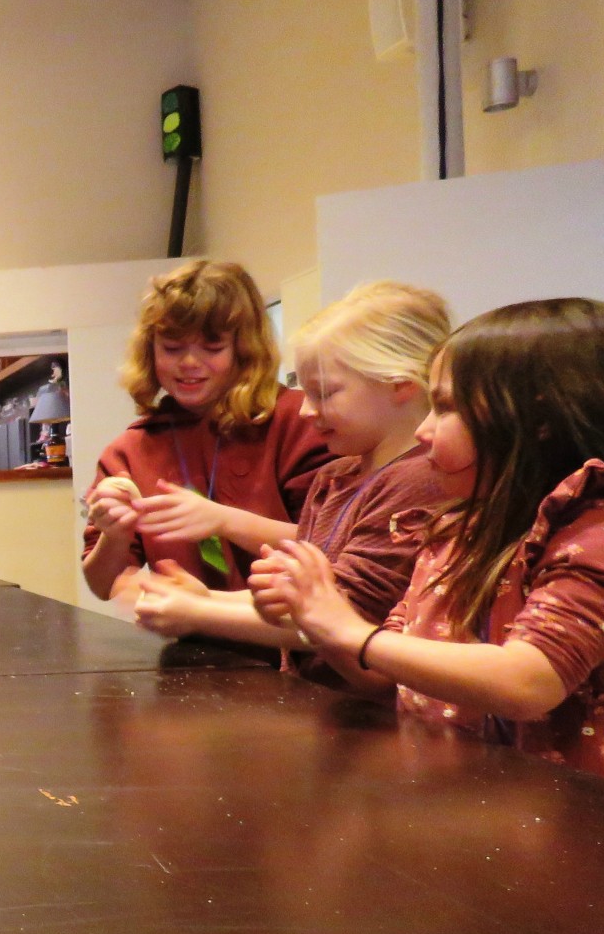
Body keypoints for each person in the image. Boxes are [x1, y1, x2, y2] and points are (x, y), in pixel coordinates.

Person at [254, 298, 604, 787]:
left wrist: (351, 632)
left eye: (446, 407)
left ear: (538, 420)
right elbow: (380, 673)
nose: (423, 430)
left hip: (575, 828)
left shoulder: (601, 531)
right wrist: (317, 615)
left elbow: (530, 680)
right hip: (466, 801)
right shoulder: (453, 530)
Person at [134, 282, 451, 672]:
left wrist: (199, 612)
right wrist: (206, 599)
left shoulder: (417, 481)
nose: (305, 411)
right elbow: (299, 599)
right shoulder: (336, 475)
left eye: (325, 393)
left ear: (400, 384)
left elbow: (344, 616)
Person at [83, 260, 332, 602]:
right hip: (194, 646)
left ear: (244, 349)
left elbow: (333, 547)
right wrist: (114, 534)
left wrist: (222, 521)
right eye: (172, 348)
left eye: (212, 348)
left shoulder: (301, 422)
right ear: (150, 350)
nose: (189, 363)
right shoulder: (131, 449)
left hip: (292, 647)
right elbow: (101, 584)